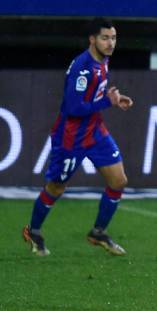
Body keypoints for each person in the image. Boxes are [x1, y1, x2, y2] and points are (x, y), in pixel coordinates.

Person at [22, 17, 133, 257]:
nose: (110, 43)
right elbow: (73, 107)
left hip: (95, 131)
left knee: (118, 181)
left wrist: (114, 98)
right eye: (105, 38)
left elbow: (94, 96)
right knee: (56, 187)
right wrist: (107, 102)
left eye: (113, 38)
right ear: (92, 39)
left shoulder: (103, 61)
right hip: (71, 137)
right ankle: (35, 231)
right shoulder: (83, 67)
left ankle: (98, 232)